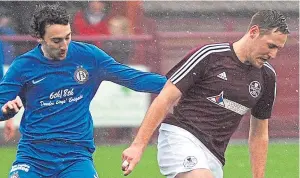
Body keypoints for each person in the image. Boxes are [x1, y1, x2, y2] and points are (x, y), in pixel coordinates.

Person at [0, 4, 166, 178]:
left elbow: (134, 78)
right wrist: (5, 111)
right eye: (56, 40)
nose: (64, 45)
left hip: (75, 157)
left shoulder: (89, 57)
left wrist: (176, 86)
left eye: (68, 37)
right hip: (33, 156)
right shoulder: (22, 66)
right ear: (39, 38)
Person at [121, 10, 289, 178]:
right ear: (254, 32)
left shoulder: (267, 77)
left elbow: (259, 133)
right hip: (181, 136)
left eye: (278, 49)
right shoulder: (210, 55)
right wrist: (138, 146)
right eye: (271, 46)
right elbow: (165, 98)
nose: (273, 54)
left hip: (215, 155)